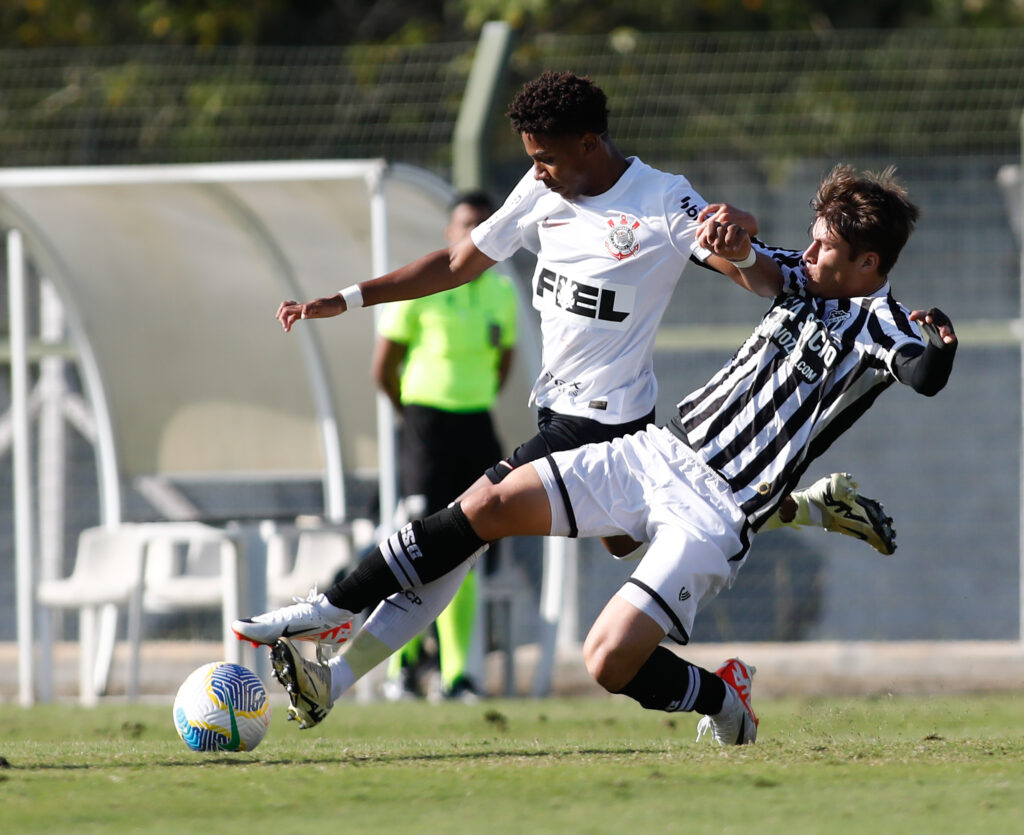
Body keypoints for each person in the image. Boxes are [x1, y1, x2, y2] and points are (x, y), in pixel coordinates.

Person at [234, 71, 896, 707]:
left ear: (590, 144)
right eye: (532, 158)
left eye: (548, 157)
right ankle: (803, 506)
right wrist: (348, 299)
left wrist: (740, 238)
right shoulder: (542, 189)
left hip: (605, 425)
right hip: (566, 413)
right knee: (547, 537)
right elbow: (459, 261)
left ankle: (332, 617)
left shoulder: (662, 200)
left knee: (467, 521)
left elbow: (751, 274)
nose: (538, 171)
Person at [374, 190, 516, 702]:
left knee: (465, 549)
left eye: (485, 225)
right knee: (414, 544)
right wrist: (414, 414)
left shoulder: (501, 291)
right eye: (466, 225)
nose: (475, 234)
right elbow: (383, 366)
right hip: (425, 430)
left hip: (475, 428)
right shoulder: (426, 287)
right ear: (449, 233)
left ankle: (459, 675)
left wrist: (471, 399)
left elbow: (503, 361)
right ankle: (403, 667)